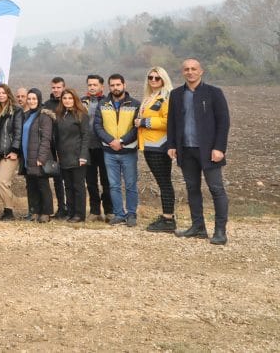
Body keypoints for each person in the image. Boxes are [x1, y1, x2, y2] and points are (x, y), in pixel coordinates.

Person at [167, 59, 231, 245]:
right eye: (186, 69)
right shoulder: (176, 94)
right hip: (186, 151)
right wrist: (172, 145)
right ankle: (198, 227)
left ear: (201, 71)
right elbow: (172, 123)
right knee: (192, 188)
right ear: (182, 72)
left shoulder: (214, 93)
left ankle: (220, 231)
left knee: (216, 189)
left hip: (209, 151)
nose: (190, 72)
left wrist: (219, 148)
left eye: (194, 69)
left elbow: (223, 122)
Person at [93, 74, 141, 227]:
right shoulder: (103, 104)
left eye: (118, 85)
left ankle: (131, 214)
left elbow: (136, 128)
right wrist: (111, 141)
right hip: (109, 152)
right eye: (112, 85)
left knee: (130, 184)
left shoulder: (135, 104)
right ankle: (119, 214)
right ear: (109, 87)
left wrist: (121, 141)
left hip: (128, 151)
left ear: (124, 85)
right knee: (113, 185)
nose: (115, 88)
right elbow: (98, 127)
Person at [139, 67, 176, 233]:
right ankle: (167, 215)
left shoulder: (166, 97)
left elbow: (168, 121)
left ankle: (168, 219)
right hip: (148, 146)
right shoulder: (149, 97)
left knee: (164, 182)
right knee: (162, 181)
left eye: (157, 78)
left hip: (159, 146)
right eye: (150, 77)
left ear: (164, 79)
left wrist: (144, 122)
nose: (153, 80)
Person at [54, 88, 91, 222]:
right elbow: (57, 137)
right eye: (65, 98)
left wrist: (83, 156)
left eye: (70, 98)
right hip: (64, 156)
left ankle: (79, 214)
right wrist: (57, 154)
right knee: (67, 186)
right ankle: (70, 212)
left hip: (77, 156)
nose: (67, 101)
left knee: (78, 186)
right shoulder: (59, 115)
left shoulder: (81, 115)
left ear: (75, 99)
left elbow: (86, 136)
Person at [19, 89, 54, 222]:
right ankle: (34, 211)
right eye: (29, 99)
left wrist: (42, 158)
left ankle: (46, 212)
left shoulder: (44, 116)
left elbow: (46, 139)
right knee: (31, 185)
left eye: (34, 99)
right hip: (27, 156)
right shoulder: (27, 115)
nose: (31, 101)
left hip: (39, 157)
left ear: (39, 99)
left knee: (42, 184)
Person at [82, 74, 112, 221]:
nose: (92, 87)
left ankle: (109, 211)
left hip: (104, 147)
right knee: (91, 181)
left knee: (107, 180)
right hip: (87, 148)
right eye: (90, 85)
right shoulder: (82, 102)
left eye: (95, 85)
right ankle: (94, 211)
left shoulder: (108, 102)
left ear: (101, 86)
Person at [0, 83, 23, 221]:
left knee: (2, 181)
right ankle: (8, 209)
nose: (1, 95)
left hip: (10, 153)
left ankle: (9, 211)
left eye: (3, 92)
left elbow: (18, 132)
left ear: (8, 94)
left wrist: (15, 150)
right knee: (2, 183)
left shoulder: (16, 111)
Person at [44, 77, 67, 219]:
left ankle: (72, 208)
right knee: (57, 179)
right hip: (52, 147)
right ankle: (61, 209)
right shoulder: (47, 104)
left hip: (67, 146)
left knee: (69, 180)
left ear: (64, 87)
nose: (56, 90)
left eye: (59, 87)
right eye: (54, 87)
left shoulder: (68, 102)